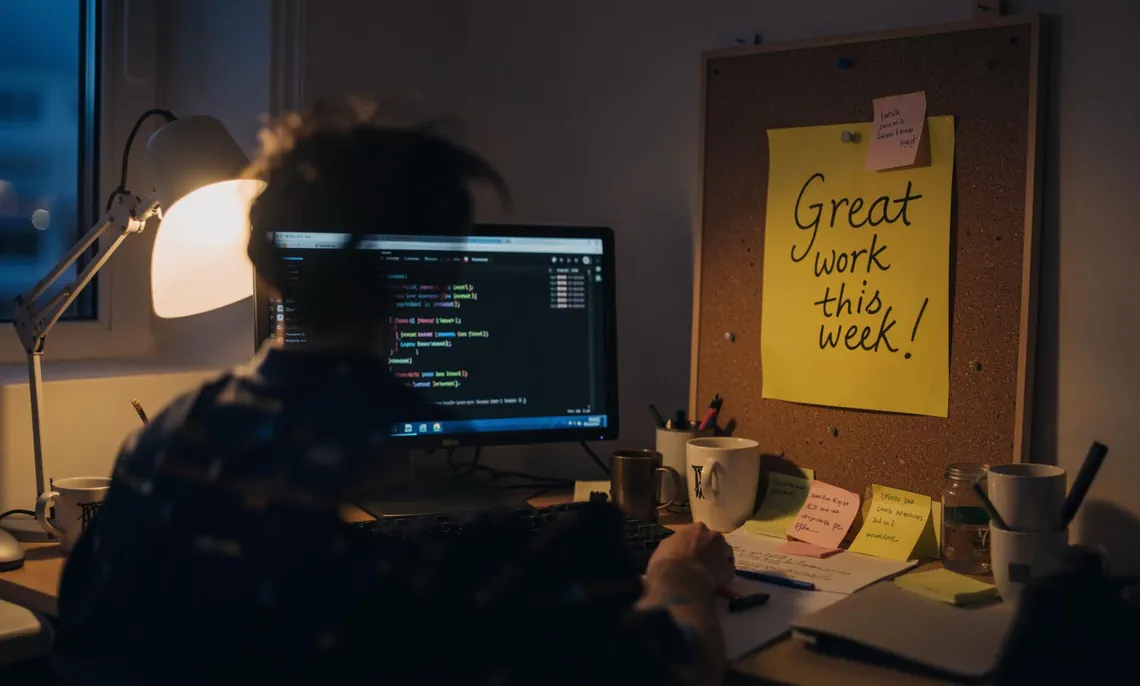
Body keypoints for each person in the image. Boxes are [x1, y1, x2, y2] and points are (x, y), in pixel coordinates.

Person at [53, 102, 733, 686]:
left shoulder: (160, 446)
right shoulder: (470, 551)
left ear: (264, 263)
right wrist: (681, 573)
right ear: (440, 275)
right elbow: (676, 666)